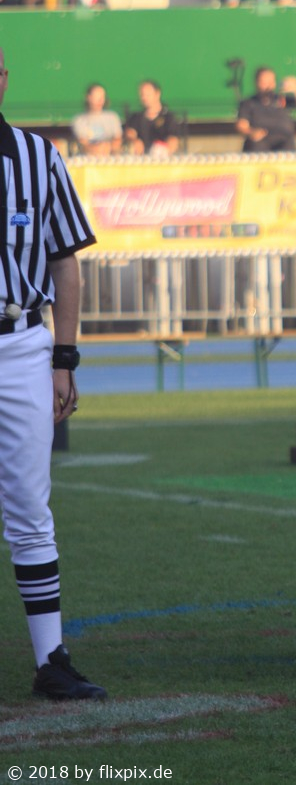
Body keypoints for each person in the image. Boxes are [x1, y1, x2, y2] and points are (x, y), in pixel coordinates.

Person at [0, 46, 106, 700]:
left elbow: (65, 260)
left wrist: (64, 358)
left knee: (30, 508)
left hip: (20, 346)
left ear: (4, 79)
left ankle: (51, 661)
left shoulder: (38, 157)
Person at [236, 67, 296, 153]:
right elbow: (241, 125)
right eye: (264, 82)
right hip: (260, 144)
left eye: (270, 82)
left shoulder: (282, 99)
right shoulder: (248, 103)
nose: (268, 86)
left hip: (284, 142)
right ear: (257, 82)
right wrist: (252, 132)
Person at [124, 80, 180, 157]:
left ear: (157, 94)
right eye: (142, 95)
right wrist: (134, 141)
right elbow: (130, 133)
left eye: (148, 94)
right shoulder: (136, 117)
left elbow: (173, 139)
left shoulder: (168, 117)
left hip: (162, 158)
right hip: (141, 159)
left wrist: (164, 148)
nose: (144, 97)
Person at [71, 83, 123, 157]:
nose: (100, 100)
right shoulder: (79, 120)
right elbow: (83, 145)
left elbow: (118, 140)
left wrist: (108, 147)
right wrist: (96, 149)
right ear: (88, 97)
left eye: (102, 97)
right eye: (96, 97)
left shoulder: (113, 117)